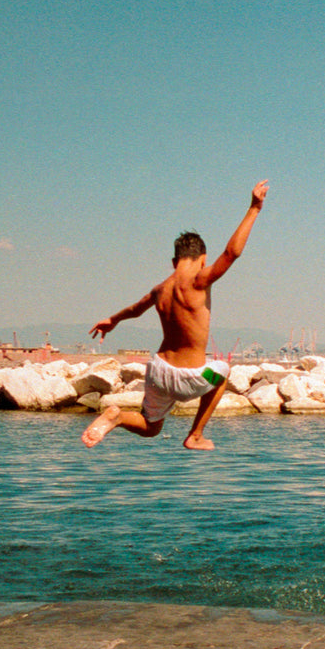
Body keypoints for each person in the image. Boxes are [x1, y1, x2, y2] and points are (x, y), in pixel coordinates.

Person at [82, 180, 269, 451]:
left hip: (158, 372)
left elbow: (134, 310)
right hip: (189, 376)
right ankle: (195, 434)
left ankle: (118, 416)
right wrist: (254, 209)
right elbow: (232, 253)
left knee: (151, 427)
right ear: (203, 259)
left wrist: (112, 320)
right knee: (222, 374)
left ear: (174, 261)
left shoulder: (160, 289)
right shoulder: (199, 280)